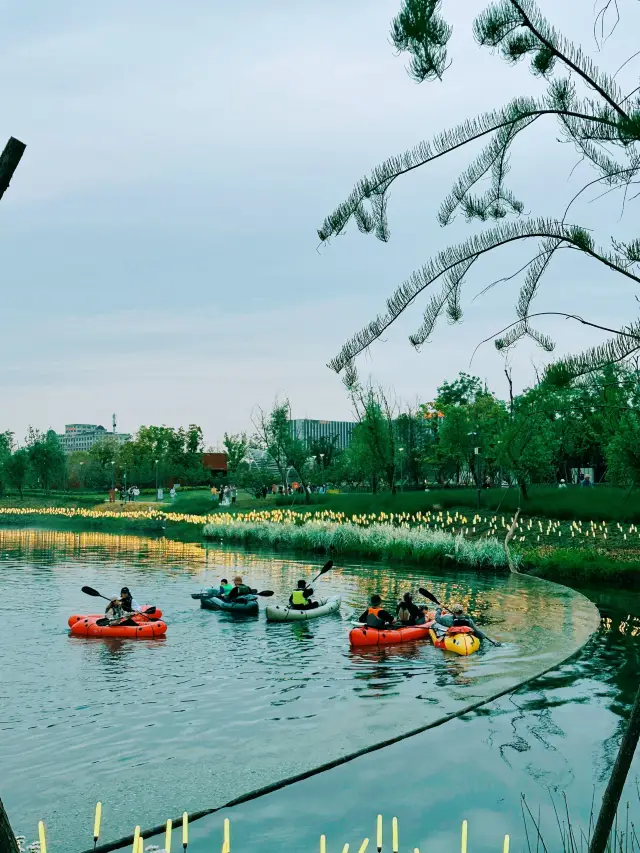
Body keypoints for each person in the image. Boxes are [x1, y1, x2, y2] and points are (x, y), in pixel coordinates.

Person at [434, 603, 499, 644]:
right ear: (462, 611)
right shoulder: (468, 619)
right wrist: (483, 637)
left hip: (455, 638)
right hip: (467, 638)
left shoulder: (448, 618)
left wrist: (439, 608)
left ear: (453, 611)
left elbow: (437, 619)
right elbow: (477, 630)